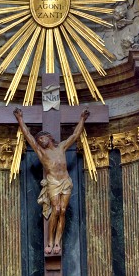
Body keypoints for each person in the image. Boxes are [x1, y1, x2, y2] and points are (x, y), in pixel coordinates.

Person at [13, 107, 89, 255]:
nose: (40, 141)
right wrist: (20, 119)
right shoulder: (41, 152)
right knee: (57, 209)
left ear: (49, 137)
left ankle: (57, 242)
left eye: (42, 138)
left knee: (63, 211)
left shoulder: (61, 147)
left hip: (65, 181)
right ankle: (49, 241)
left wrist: (82, 119)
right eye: (38, 140)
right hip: (53, 182)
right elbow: (28, 135)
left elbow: (75, 135)